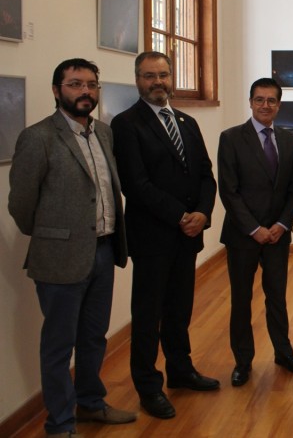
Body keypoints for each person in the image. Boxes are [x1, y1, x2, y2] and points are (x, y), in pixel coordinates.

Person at [8, 58, 136, 436]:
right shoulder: (38, 137)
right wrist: (52, 235)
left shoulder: (104, 134)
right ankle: (60, 424)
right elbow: (21, 203)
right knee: (59, 345)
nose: (85, 91)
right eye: (75, 84)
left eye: (91, 85)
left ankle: (91, 404)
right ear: (56, 90)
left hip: (103, 250)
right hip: (60, 258)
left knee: (94, 336)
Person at [111, 51, 218, 419]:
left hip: (188, 236)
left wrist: (202, 214)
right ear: (137, 79)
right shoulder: (126, 124)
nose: (158, 81)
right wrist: (181, 215)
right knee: (148, 314)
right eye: (149, 75)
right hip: (153, 236)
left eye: (163, 74)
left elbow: (206, 173)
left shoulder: (186, 121)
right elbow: (135, 184)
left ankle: (180, 370)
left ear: (171, 77)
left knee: (179, 309)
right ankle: (148, 386)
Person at [218, 77, 293, 386]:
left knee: (277, 298)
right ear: (251, 101)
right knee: (242, 300)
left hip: (277, 236)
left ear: (279, 105)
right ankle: (243, 361)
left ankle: (283, 353)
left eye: (271, 100)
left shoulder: (287, 138)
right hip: (243, 236)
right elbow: (228, 191)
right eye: (259, 99)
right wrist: (254, 229)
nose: (265, 105)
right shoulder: (230, 138)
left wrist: (282, 225)